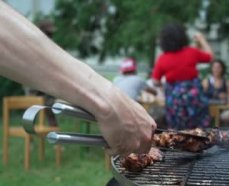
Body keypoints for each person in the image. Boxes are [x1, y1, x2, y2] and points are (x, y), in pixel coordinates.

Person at [0, 2, 155, 156]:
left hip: (40, 93)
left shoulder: (41, 41)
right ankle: (52, 144)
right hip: (40, 94)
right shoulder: (36, 38)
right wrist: (105, 102)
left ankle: (44, 144)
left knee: (52, 110)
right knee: (52, 110)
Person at [151, 22, 214, 129]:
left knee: (177, 131)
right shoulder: (191, 52)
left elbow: (155, 81)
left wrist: (164, 88)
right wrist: (202, 39)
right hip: (194, 99)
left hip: (174, 100)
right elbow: (210, 57)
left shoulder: (163, 58)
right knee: (199, 129)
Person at [202, 59, 229, 125]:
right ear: (211, 69)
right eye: (214, 67)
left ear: (222, 69)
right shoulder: (206, 81)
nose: (216, 70)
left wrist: (226, 96)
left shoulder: (226, 82)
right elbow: (201, 97)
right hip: (208, 110)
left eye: (218, 67)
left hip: (223, 110)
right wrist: (216, 95)